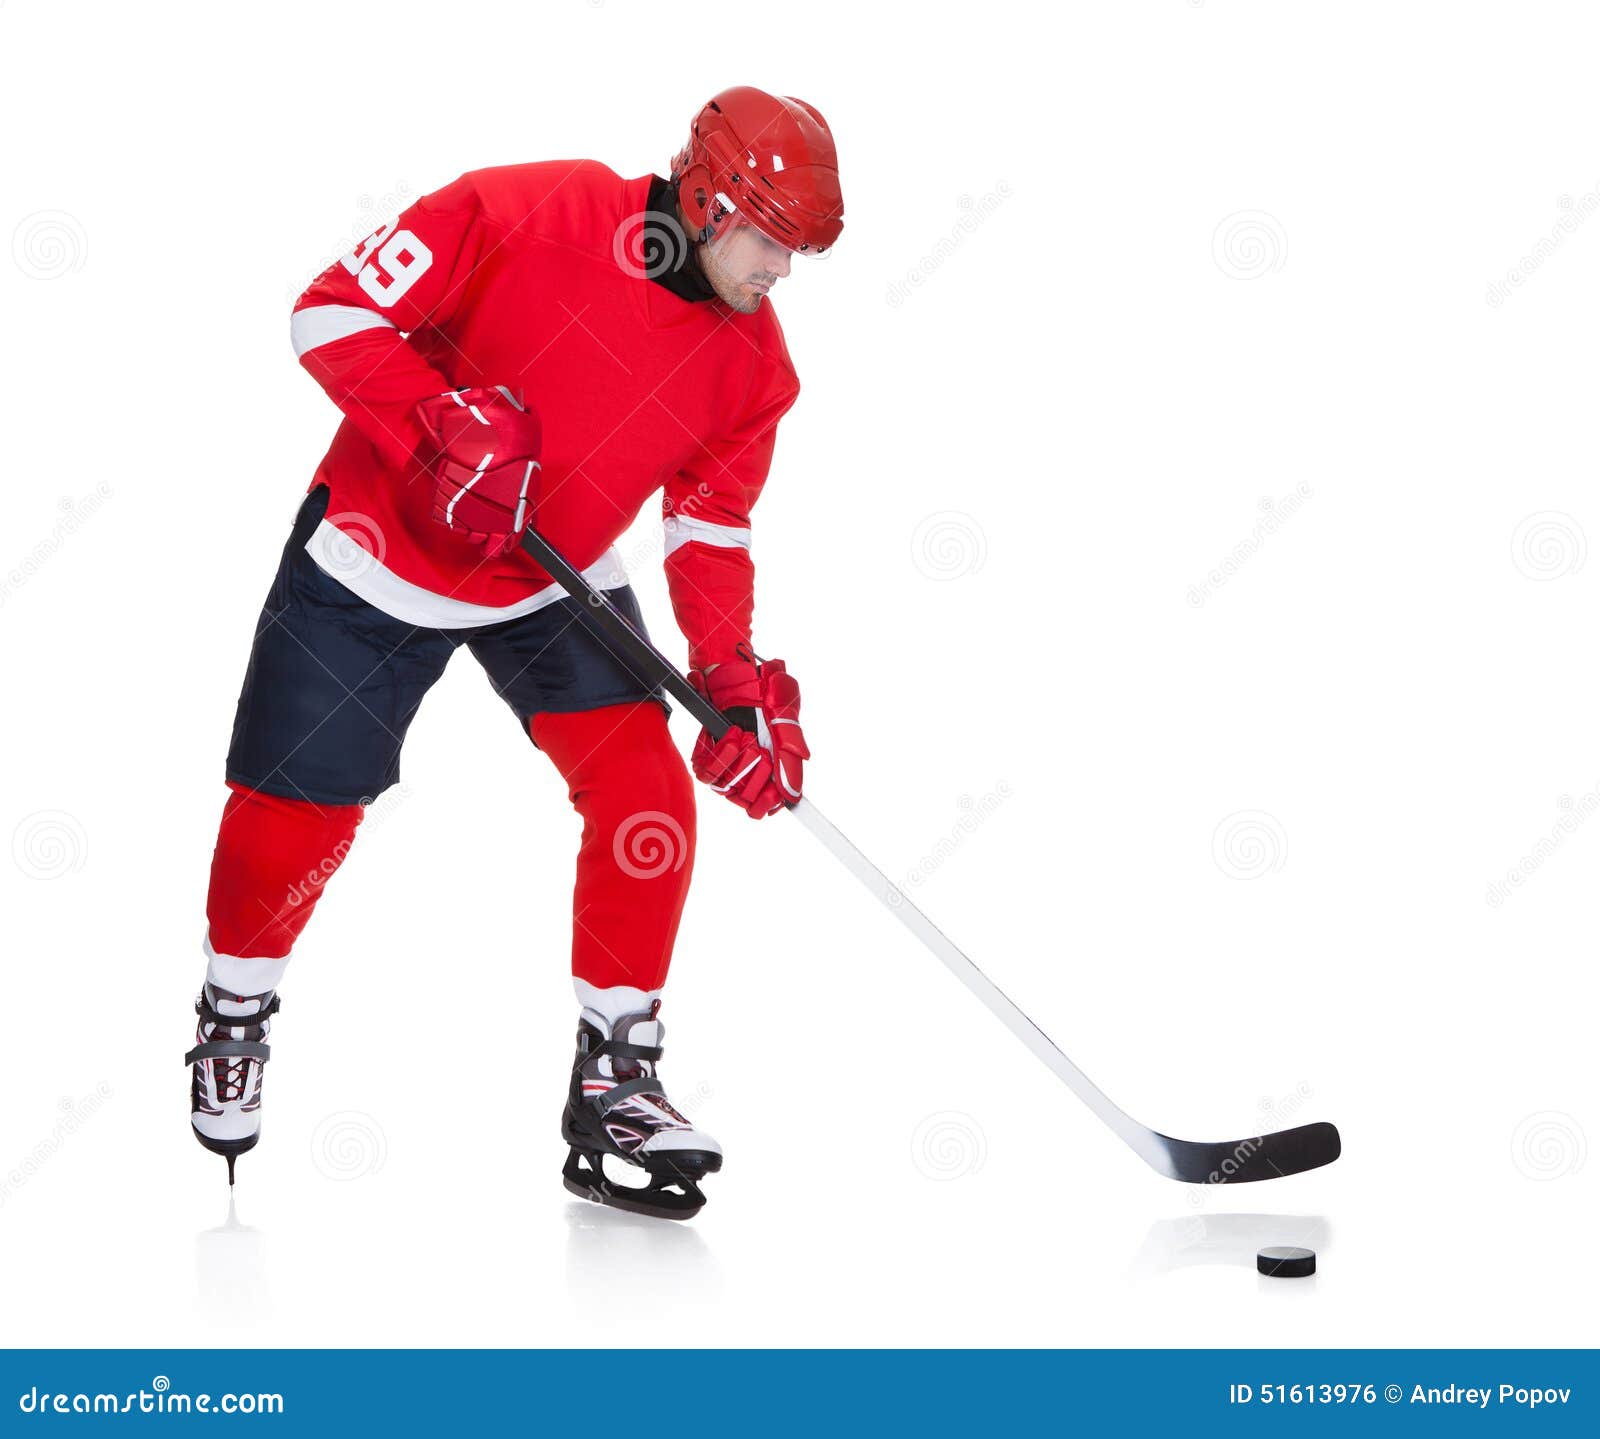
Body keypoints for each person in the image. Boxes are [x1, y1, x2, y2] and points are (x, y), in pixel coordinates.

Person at [184, 86, 844, 1219]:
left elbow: (709, 527)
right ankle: (234, 1008)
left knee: (646, 795)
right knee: (299, 809)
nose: (781, 272)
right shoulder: (528, 208)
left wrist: (731, 678)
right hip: (380, 553)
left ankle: (614, 1076)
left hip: (555, 572)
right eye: (773, 242)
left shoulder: (756, 367)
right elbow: (329, 312)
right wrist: (440, 423)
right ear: (710, 197)